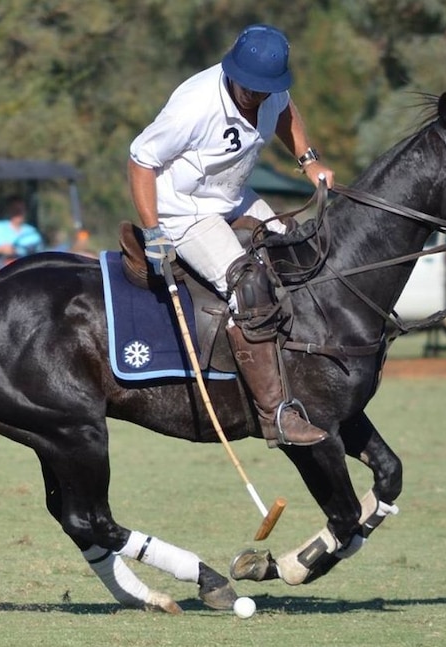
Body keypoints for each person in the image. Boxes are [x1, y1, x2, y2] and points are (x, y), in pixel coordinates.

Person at [128, 24, 335, 447]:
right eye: (250, 87)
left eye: (263, 89)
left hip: (232, 197)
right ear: (232, 72)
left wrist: (309, 160)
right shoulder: (195, 105)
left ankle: (307, 375)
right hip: (184, 211)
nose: (255, 96)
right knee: (248, 286)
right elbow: (140, 159)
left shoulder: (270, 92)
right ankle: (274, 413)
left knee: (298, 253)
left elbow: (285, 112)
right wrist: (153, 231)